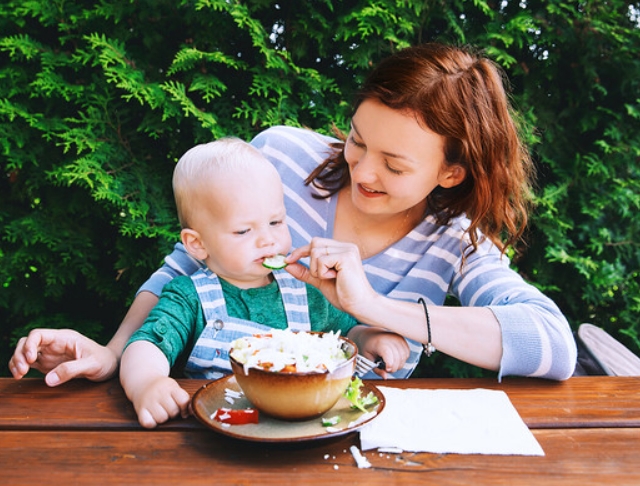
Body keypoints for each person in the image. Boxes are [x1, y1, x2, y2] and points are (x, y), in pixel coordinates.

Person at [9, 42, 577, 386]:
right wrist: (114, 355)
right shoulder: (280, 156)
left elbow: (552, 344)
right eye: (358, 140)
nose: (363, 173)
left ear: (450, 173)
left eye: (395, 166)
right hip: (218, 418)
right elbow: (181, 272)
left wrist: (373, 308)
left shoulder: (457, 240)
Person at [119, 138, 409, 428]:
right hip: (224, 427)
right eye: (244, 230)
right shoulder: (189, 297)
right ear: (197, 243)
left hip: (301, 426)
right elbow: (147, 345)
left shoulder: (305, 292)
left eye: (276, 222)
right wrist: (147, 382)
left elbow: (345, 333)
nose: (267, 240)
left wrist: (369, 339)